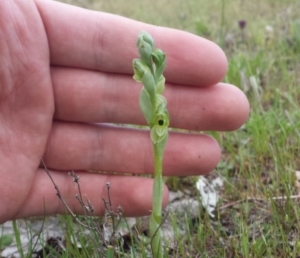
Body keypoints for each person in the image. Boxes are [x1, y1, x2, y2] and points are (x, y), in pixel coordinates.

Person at [0, 0, 249, 224]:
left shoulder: (155, 87)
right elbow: (151, 94)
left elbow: (156, 101)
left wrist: (157, 104)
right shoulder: (148, 85)